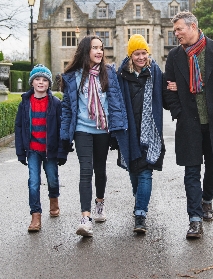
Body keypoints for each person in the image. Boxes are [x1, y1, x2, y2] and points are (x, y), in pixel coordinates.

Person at [163, 11, 213, 239]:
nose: (176, 34)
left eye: (179, 29)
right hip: (189, 124)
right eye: (175, 30)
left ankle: (207, 200)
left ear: (193, 27)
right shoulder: (175, 56)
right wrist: (178, 112)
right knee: (190, 171)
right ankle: (195, 219)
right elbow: (167, 89)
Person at [60, 35, 127, 237]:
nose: (99, 52)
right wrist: (65, 133)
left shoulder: (109, 73)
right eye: (95, 48)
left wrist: (118, 125)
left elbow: (116, 101)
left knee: (100, 168)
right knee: (85, 170)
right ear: (85, 51)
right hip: (82, 128)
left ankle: (99, 202)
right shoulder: (72, 76)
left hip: (103, 130)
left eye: (101, 48)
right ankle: (85, 218)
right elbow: (67, 107)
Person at [116, 34, 171, 234]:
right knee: (134, 173)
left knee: (146, 173)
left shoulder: (155, 72)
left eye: (144, 53)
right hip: (130, 132)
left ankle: (140, 215)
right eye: (137, 54)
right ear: (131, 56)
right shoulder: (121, 75)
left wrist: (173, 90)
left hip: (151, 132)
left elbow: (165, 99)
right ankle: (139, 198)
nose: (141, 57)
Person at [15, 64, 69, 233]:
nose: (40, 82)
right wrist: (20, 151)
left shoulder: (55, 103)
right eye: (37, 79)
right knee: (33, 183)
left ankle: (54, 200)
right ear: (32, 83)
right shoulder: (25, 103)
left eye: (44, 80)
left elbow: (62, 128)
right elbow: (18, 127)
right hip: (32, 150)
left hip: (50, 150)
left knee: (52, 178)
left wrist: (62, 151)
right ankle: (35, 215)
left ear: (49, 83)